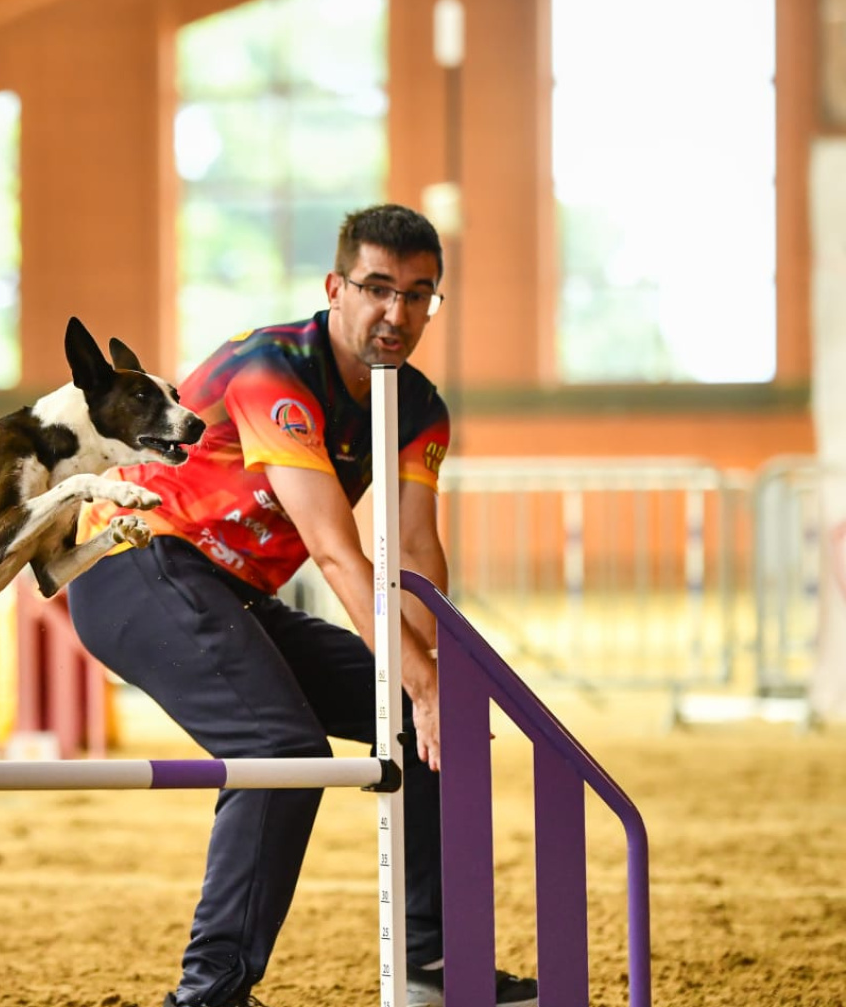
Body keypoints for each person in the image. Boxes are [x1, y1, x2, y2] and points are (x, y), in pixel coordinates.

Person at [66, 204, 536, 1007]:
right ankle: (209, 993)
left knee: (431, 717)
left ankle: (432, 966)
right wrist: (417, 681)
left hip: (232, 594)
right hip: (135, 564)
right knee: (283, 746)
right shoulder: (273, 367)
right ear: (336, 287)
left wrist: (434, 688)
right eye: (378, 288)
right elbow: (333, 548)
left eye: (420, 294)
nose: (398, 313)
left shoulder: (416, 405)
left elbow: (416, 549)